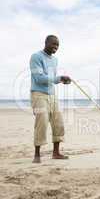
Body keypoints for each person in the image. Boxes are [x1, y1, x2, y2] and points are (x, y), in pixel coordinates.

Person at [30, 35, 71, 163]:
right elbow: (39, 78)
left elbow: (51, 79)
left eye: (57, 45)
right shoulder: (36, 57)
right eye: (53, 44)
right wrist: (59, 78)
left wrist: (62, 81)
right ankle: (37, 155)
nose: (55, 47)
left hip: (52, 95)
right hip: (38, 94)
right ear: (46, 42)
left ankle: (56, 153)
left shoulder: (55, 60)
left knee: (58, 123)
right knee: (41, 123)